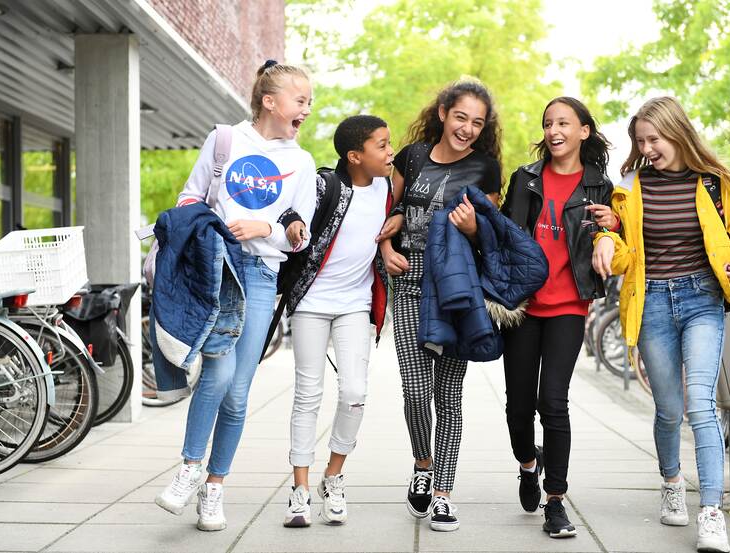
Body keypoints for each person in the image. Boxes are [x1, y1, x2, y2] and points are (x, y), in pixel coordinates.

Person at [154, 60, 317, 532]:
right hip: (219, 270)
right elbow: (190, 198)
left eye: (308, 101)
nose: (306, 109)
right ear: (270, 101)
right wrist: (210, 228)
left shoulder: (300, 163)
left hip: (263, 274)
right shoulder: (225, 139)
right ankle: (188, 468)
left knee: (240, 392)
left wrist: (266, 225)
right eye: (300, 100)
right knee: (218, 375)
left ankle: (215, 486)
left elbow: (299, 234)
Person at [591, 96, 730, 553]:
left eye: (654, 138)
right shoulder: (631, 185)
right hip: (653, 306)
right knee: (668, 409)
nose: (647, 148)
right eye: (640, 141)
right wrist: (606, 240)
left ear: (677, 132)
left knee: (701, 404)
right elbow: (627, 251)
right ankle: (671, 481)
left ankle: (711, 513)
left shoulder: (711, 180)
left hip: (702, 298)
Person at [377, 80, 503, 531]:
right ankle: (423, 464)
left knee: (448, 395)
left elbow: (491, 237)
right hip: (408, 282)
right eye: (461, 117)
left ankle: (444, 493)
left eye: (477, 122)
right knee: (415, 389)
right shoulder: (411, 156)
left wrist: (472, 230)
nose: (467, 128)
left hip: (453, 289)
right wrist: (386, 247)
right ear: (444, 112)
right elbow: (384, 209)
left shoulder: (487, 169)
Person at [499, 96, 616, 538]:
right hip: (523, 305)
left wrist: (611, 228)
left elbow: (615, 228)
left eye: (563, 123)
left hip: (569, 303)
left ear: (584, 130)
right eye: (548, 123)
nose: (553, 131)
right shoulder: (525, 178)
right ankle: (529, 464)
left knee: (553, 401)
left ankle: (555, 501)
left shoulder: (598, 187)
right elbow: (506, 233)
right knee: (517, 408)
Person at [281, 115, 394, 527]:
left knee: (355, 392)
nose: (389, 151)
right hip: (311, 302)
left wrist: (389, 243)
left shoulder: (387, 186)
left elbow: (396, 222)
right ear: (354, 156)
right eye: (381, 145)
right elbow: (289, 209)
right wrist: (292, 224)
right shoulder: (325, 185)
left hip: (355, 305)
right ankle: (299, 489)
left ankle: (334, 476)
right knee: (307, 394)